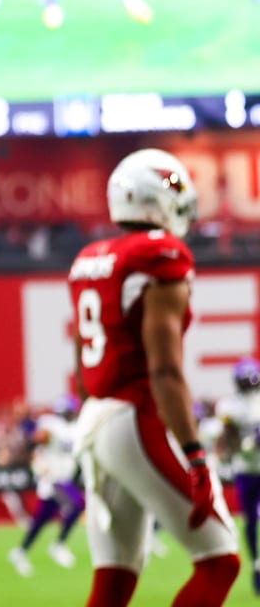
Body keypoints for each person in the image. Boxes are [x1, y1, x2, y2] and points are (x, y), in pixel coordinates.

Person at [67, 148, 240, 607]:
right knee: (220, 561)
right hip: (135, 417)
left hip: (96, 419)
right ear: (154, 197)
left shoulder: (91, 258)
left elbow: (81, 366)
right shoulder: (160, 255)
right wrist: (195, 455)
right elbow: (164, 369)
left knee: (114, 580)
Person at [8, 394, 85, 576]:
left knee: (42, 519)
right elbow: (36, 438)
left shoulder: (74, 428)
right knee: (79, 504)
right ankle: (59, 545)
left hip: (63, 475)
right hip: (53, 477)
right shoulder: (52, 424)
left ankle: (20, 552)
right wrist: (26, 425)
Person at [214, 356, 260, 593]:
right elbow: (226, 444)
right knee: (251, 520)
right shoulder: (230, 407)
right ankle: (256, 563)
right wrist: (244, 442)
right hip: (245, 469)